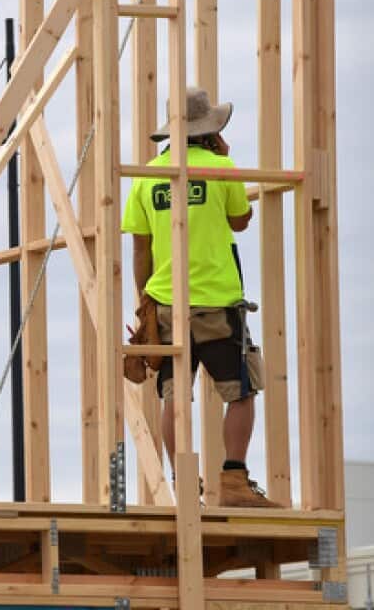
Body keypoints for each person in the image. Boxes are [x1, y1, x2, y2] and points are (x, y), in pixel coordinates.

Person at [121, 87, 280, 509]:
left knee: (174, 396)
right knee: (241, 391)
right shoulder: (220, 167)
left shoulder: (146, 175)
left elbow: (140, 247)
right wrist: (223, 158)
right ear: (210, 130)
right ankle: (234, 481)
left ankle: (185, 487)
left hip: (166, 304)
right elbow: (240, 220)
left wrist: (146, 303)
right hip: (217, 302)